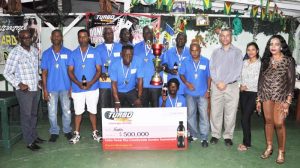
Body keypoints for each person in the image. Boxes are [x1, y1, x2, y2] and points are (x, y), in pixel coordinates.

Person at [3, 30, 45, 151]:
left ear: (31, 38)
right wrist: (19, 84)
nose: (27, 39)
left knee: (34, 114)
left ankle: (34, 136)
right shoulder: (15, 52)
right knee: (26, 116)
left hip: (35, 89)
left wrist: (39, 80)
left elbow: (35, 70)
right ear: (19, 39)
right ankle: (29, 141)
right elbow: (7, 72)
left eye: (28, 37)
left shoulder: (34, 51)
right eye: (24, 37)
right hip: (24, 91)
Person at [256, 35, 295, 164]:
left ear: (281, 46)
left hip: (281, 97)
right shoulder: (266, 61)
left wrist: (288, 101)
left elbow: (291, 82)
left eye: (276, 44)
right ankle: (269, 147)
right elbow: (260, 81)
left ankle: (281, 151)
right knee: (268, 121)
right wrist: (258, 99)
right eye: (271, 44)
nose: (273, 46)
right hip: (266, 95)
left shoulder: (288, 61)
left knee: (279, 123)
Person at [209, 28, 243, 146]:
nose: (225, 38)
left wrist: (225, 82)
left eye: (227, 35)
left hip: (232, 86)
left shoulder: (238, 52)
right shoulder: (215, 52)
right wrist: (218, 82)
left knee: (231, 113)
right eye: (222, 36)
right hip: (216, 86)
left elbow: (237, 70)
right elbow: (212, 69)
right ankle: (215, 134)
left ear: (231, 37)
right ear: (219, 38)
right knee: (215, 112)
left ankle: (228, 136)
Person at [68, 29, 102, 144]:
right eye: (80, 37)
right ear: (78, 39)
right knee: (78, 113)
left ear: (88, 38)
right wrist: (78, 83)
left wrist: (91, 83)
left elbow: (99, 70)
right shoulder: (73, 53)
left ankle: (95, 132)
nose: (82, 39)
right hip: (78, 89)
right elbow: (70, 71)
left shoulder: (95, 52)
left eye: (84, 36)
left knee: (93, 111)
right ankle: (76, 134)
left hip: (92, 88)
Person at [41, 29, 73, 142]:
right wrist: (44, 90)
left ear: (61, 38)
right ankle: (54, 131)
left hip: (66, 87)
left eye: (58, 36)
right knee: (51, 113)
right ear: (51, 38)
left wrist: (71, 88)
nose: (56, 38)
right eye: (54, 36)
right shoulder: (46, 54)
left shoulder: (68, 53)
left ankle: (67, 130)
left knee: (67, 111)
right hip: (51, 88)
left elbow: (71, 72)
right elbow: (44, 73)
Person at [180, 43, 211, 147]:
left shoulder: (206, 61)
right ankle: (193, 134)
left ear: (200, 50)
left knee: (204, 115)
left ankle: (204, 137)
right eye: (192, 50)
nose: (194, 52)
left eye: (196, 50)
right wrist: (187, 83)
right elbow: (181, 74)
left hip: (202, 93)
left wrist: (208, 90)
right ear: (190, 51)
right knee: (190, 115)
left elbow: (209, 77)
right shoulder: (185, 61)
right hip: (189, 93)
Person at [237, 42, 261, 151]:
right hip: (243, 93)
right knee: (246, 118)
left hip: (254, 93)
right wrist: (240, 86)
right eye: (248, 50)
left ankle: (246, 144)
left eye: (253, 49)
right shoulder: (244, 62)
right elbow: (239, 76)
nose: (250, 52)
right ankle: (248, 141)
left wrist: (259, 98)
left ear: (257, 51)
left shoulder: (260, 64)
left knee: (244, 118)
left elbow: (261, 81)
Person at [134, 26, 163, 107]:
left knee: (155, 109)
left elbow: (165, 64)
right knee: (143, 110)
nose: (148, 34)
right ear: (143, 34)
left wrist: (162, 67)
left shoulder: (159, 47)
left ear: (153, 34)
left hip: (155, 85)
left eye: (149, 32)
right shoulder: (136, 47)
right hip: (141, 85)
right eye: (145, 33)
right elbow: (133, 65)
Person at [110, 45, 143, 111]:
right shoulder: (114, 65)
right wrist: (117, 101)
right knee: (116, 110)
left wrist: (139, 97)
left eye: (131, 55)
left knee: (138, 106)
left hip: (131, 90)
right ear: (121, 54)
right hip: (118, 90)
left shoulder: (138, 61)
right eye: (126, 55)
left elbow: (140, 80)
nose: (128, 57)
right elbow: (113, 84)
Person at [96, 27, 122, 110]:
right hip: (104, 82)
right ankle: (103, 123)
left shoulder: (120, 47)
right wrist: (100, 73)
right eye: (107, 33)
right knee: (103, 106)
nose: (110, 35)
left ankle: (116, 123)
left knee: (116, 105)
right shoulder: (98, 49)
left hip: (117, 82)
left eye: (111, 33)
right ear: (103, 35)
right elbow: (95, 65)